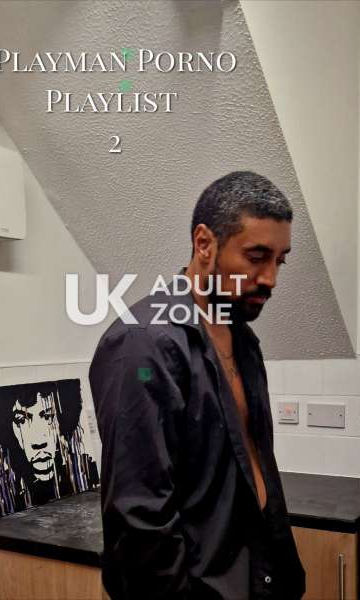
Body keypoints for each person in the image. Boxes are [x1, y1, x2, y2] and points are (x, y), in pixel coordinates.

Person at [89, 171, 306, 599]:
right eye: (256, 256)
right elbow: (140, 522)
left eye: (279, 261)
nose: (271, 278)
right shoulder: (143, 344)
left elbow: (255, 472)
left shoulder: (243, 339)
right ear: (204, 244)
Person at [0, 379, 100, 519]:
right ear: (8, 429)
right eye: (21, 420)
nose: (39, 441)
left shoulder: (86, 472)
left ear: (62, 421)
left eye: (48, 416)